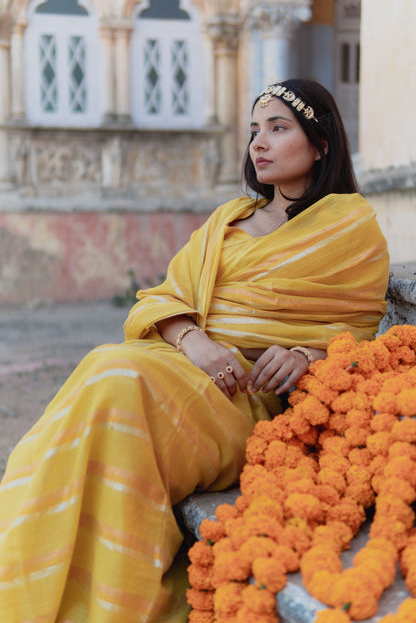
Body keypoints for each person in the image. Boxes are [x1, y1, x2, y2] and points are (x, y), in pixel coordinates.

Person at [0, 79, 389, 623]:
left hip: (244, 398)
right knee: (107, 369)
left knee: (117, 378)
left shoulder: (349, 227)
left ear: (320, 143)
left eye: (278, 129)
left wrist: (306, 356)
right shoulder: (228, 220)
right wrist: (195, 341)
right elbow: (161, 299)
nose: (259, 143)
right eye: (255, 130)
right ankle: (31, 581)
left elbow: (361, 337)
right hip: (182, 363)